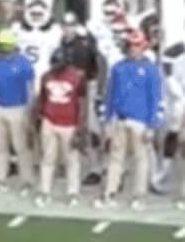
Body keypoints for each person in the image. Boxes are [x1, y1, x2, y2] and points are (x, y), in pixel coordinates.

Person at [100, 30, 164, 208]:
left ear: (143, 47)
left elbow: (156, 98)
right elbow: (110, 95)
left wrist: (152, 125)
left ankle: (138, 196)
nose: (133, 49)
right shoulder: (118, 67)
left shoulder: (151, 70)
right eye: (131, 45)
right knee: (115, 157)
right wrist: (107, 119)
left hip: (140, 121)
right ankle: (110, 192)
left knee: (141, 159)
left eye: (137, 46)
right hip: (120, 119)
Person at [0, 27, 33, 191]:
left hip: (17, 108)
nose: (4, 50)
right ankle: (0, 178)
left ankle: (26, 180)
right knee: (0, 146)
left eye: (7, 46)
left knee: (20, 147)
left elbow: (30, 90)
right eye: (2, 46)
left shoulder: (23, 63)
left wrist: (29, 112)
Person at [34, 52, 86, 203]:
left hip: (69, 124)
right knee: (47, 157)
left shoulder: (76, 77)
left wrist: (80, 127)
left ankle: (72, 192)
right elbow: (42, 99)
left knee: (71, 160)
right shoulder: (46, 76)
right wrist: (38, 118)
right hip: (49, 120)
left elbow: (82, 103)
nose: (55, 68)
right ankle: (44, 191)